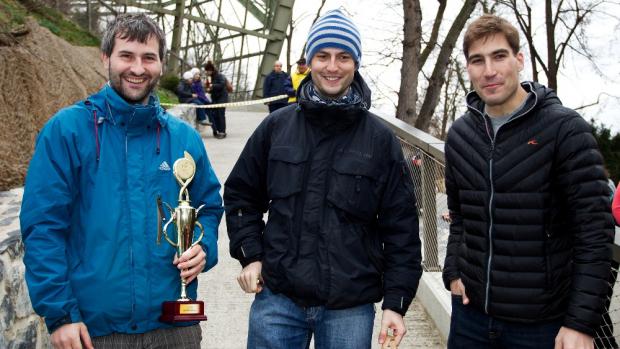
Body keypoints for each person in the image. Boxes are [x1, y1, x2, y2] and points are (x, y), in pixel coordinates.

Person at [20, 13, 223, 349]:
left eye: (148, 58)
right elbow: (43, 228)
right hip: (94, 331)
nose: (138, 68)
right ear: (106, 58)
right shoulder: (66, 131)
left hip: (175, 328)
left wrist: (205, 247)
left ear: (160, 64)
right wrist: (60, 315)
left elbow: (209, 207)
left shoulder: (184, 139)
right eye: (126, 56)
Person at [224, 9, 422, 349]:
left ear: (356, 62)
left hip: (351, 307)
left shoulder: (380, 140)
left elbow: (401, 227)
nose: (332, 66)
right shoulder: (276, 127)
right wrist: (251, 255)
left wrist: (396, 304)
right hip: (278, 299)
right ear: (310, 60)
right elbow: (241, 194)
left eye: (343, 56)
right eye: (323, 56)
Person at [442, 14, 613, 349]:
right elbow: (460, 215)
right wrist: (453, 272)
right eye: (478, 60)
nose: (489, 70)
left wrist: (581, 322)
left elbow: (595, 232)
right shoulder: (460, 135)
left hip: (540, 325)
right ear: (468, 68)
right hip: (471, 317)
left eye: (499, 56)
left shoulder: (565, 129)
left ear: (519, 60)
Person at [204, 60, 227, 139]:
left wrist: (212, 86)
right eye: (207, 71)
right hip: (215, 97)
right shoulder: (209, 78)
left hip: (222, 97)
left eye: (209, 70)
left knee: (221, 114)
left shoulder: (220, 76)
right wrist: (208, 89)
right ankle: (217, 130)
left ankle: (222, 131)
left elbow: (222, 84)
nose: (208, 72)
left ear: (212, 70)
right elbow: (209, 87)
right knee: (215, 114)